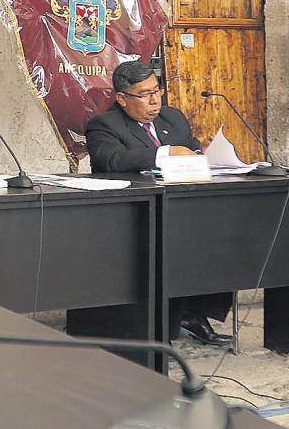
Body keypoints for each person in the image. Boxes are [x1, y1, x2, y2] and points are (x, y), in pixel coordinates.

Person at [85, 61, 233, 347]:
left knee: (219, 236)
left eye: (157, 91)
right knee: (169, 247)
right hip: (133, 218)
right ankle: (162, 323)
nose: (154, 100)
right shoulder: (104, 125)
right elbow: (112, 160)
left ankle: (193, 313)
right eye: (144, 95)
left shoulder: (172, 118)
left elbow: (190, 149)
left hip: (180, 208)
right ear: (122, 98)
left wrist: (202, 153)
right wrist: (166, 153)